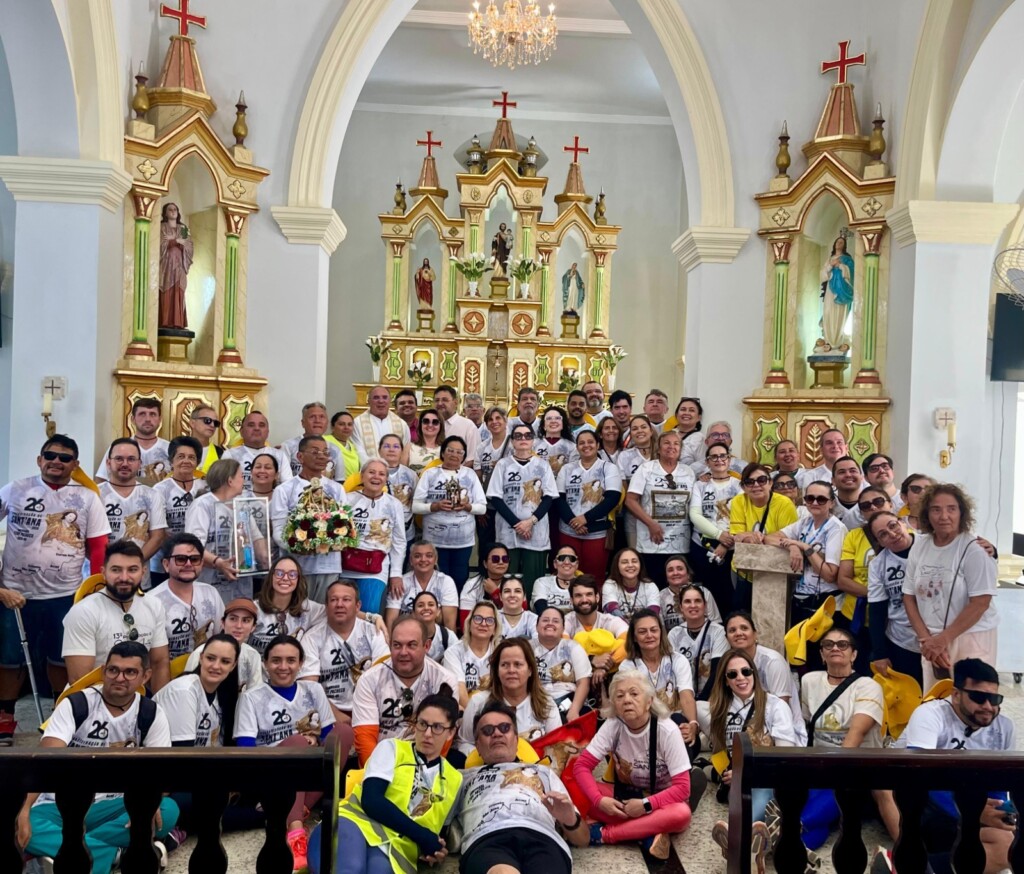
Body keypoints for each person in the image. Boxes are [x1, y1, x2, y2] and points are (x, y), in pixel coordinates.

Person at [16, 642, 177, 873]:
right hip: (63, 803)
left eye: (130, 672)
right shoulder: (76, 704)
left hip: (116, 804)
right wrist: (24, 808)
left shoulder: (151, 712)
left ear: (145, 676)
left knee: (168, 810)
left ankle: (67, 850)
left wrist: (151, 801)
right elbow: (44, 761)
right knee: (19, 821)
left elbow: (162, 773)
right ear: (103, 671)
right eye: (113, 670)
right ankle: (115, 854)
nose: (119, 678)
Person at [0, 434, 110, 736]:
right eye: (50, 456)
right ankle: (5, 716)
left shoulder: (88, 497)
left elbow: (98, 547)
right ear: (40, 460)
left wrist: (96, 589)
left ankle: (61, 714)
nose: (56, 462)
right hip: (14, 593)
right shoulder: (16, 489)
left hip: (65, 595)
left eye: (64, 458)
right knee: (9, 659)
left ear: (75, 464)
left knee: (61, 658)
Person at [234, 633, 351, 872]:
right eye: (276, 660)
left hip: (308, 769)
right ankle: (296, 830)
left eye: (291, 660)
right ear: (265, 663)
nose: (283, 667)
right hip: (270, 773)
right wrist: (298, 743)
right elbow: (246, 750)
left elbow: (329, 737)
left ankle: (292, 809)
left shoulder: (313, 689)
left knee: (344, 732)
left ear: (300, 663)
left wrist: (313, 740)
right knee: (297, 742)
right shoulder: (250, 697)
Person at [310, 694, 462, 874]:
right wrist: (422, 837)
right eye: (422, 724)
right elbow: (372, 801)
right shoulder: (392, 748)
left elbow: (437, 832)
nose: (427, 734)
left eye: (437, 727)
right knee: (351, 868)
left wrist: (434, 849)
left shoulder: (454, 779)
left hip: (395, 850)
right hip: (355, 823)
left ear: (451, 732)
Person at [901, 658, 1016, 874]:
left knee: (1006, 844)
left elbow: (999, 785)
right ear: (956, 695)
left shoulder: (1004, 727)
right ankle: (908, 862)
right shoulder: (930, 715)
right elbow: (919, 775)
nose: (988, 706)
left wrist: (1000, 813)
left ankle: (911, 868)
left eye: (994, 699)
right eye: (978, 697)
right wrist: (971, 813)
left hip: (965, 804)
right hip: (923, 803)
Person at [456, 701, 590, 874]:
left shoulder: (544, 773)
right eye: (488, 730)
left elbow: (582, 840)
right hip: (488, 838)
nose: (497, 733)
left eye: (504, 728)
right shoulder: (461, 778)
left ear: (516, 740)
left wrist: (570, 820)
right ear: (478, 746)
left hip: (543, 838)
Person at [574, 670, 692, 859]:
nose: (627, 700)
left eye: (634, 693)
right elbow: (581, 767)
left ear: (649, 701)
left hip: (661, 801)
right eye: (620, 696)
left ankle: (606, 834)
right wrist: (599, 800)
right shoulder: (613, 724)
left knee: (681, 814)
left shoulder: (667, 730)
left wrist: (645, 805)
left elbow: (683, 788)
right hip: (626, 797)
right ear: (614, 703)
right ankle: (647, 832)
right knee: (575, 789)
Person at [799, 628, 899, 841]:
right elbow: (805, 725)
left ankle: (780, 833)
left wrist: (834, 770)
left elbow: (857, 733)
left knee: (819, 805)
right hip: (820, 763)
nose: (835, 648)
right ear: (822, 654)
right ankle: (794, 848)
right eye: (828, 644)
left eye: (842, 644)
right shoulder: (809, 681)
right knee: (819, 819)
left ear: (853, 655)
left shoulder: (868, 686)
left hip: (856, 765)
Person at [700, 650, 797, 869]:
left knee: (757, 793)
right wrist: (725, 773)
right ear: (725, 681)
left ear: (754, 673)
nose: (740, 678)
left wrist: (747, 772)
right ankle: (751, 847)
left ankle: (735, 841)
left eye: (746, 671)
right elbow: (719, 750)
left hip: (769, 779)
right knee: (745, 798)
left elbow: (784, 757)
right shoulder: (721, 709)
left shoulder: (775, 706)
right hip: (737, 782)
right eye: (732, 674)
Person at [903, 484, 998, 689]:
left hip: (969, 638)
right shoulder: (920, 546)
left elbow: (980, 603)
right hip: (930, 640)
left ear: (962, 513)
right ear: (927, 514)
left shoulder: (975, 549)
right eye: (936, 509)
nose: (944, 516)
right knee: (936, 699)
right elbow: (908, 597)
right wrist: (926, 639)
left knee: (971, 699)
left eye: (951, 509)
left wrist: (942, 640)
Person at [62, 540, 170, 690]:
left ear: (143, 572)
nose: (124, 577)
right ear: (103, 572)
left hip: (138, 695)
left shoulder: (154, 605)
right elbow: (80, 680)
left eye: (132, 570)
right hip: (94, 697)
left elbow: (159, 663)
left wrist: (159, 703)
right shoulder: (83, 612)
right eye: (116, 570)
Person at [351, 615, 459, 765]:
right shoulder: (369, 680)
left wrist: (420, 773)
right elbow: (365, 739)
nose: (403, 652)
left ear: (426, 646)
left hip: (424, 765)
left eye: (411, 645)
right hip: (380, 764)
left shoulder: (444, 681)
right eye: (397, 645)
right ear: (389, 645)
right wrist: (378, 772)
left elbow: (442, 738)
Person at [766, 480, 847, 667]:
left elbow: (830, 574)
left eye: (821, 499)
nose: (815, 503)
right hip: (802, 601)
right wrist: (792, 546)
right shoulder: (805, 523)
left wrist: (805, 548)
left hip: (825, 606)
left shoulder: (836, 528)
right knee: (801, 661)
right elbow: (769, 538)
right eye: (810, 498)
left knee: (822, 663)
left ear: (831, 503)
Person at [270, 436, 347, 602]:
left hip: (329, 565)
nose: (321, 456)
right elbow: (278, 531)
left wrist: (331, 541)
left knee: (324, 612)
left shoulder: (337, 489)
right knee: (297, 610)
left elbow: (344, 525)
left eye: (325, 452)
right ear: (300, 457)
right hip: (296, 567)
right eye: (315, 452)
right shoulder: (284, 490)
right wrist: (302, 546)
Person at [301, 579, 389, 724]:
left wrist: (366, 717)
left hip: (370, 709)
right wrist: (340, 719)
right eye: (334, 600)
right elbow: (310, 688)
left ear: (357, 606)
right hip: (328, 713)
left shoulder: (374, 632)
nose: (339, 604)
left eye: (346, 599)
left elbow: (385, 679)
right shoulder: (311, 638)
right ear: (326, 606)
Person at [486, 423, 559, 597]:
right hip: (508, 531)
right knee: (508, 582)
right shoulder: (503, 465)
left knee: (533, 583)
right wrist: (518, 525)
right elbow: (495, 497)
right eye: (518, 436)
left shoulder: (543, 465)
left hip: (536, 531)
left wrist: (530, 522)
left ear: (533, 440)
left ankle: (532, 611)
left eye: (527, 435)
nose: (523, 439)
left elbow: (549, 497)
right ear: (512, 441)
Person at [626, 430, 706, 588]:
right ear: (658, 448)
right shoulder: (646, 469)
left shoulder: (688, 472)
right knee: (653, 586)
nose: (671, 447)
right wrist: (651, 524)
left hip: (680, 542)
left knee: (679, 587)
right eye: (667, 443)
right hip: (651, 542)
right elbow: (630, 500)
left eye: (676, 444)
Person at [457, 637, 560, 756]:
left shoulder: (547, 704)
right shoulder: (478, 702)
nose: (511, 670)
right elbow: (464, 743)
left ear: (530, 670)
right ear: (496, 670)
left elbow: (556, 746)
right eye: (504, 665)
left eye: (518, 664)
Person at [186, 458, 268, 602]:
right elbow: (193, 546)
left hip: (241, 585)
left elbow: (256, 537)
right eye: (241, 476)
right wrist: (218, 562)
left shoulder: (242, 505)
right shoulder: (202, 505)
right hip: (210, 583)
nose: (244, 480)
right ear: (230, 481)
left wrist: (266, 559)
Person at [413, 438, 486, 591]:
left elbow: (482, 508)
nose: (454, 455)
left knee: (460, 579)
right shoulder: (430, 474)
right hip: (435, 541)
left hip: (463, 541)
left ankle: (457, 606)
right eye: (450, 450)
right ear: (442, 453)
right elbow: (416, 507)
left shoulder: (470, 474)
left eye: (459, 452)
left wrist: (467, 507)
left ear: (464, 456)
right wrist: (435, 506)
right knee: (437, 579)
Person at [728, 462, 798, 611]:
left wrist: (756, 537)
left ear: (770, 483)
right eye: (749, 482)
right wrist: (749, 538)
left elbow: (789, 540)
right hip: (745, 570)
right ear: (743, 487)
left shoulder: (784, 504)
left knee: (772, 617)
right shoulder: (738, 501)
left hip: (775, 572)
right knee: (742, 615)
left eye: (761, 480)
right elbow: (737, 536)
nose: (756, 485)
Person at [838, 486, 894, 670]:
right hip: (857, 617)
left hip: (895, 620)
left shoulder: (905, 535)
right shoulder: (854, 536)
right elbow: (843, 579)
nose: (873, 507)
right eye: (866, 506)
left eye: (878, 502)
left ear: (890, 504)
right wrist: (878, 596)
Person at [556, 428, 622, 579]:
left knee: (594, 577)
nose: (586, 445)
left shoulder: (608, 468)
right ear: (577, 447)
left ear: (598, 445)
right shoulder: (567, 469)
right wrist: (574, 522)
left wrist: (585, 519)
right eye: (582, 443)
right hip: (568, 530)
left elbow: (612, 498)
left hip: (597, 532)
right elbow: (559, 499)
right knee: (568, 575)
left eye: (590, 442)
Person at [620, 610, 697, 738]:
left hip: (675, 721)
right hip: (644, 724)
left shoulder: (678, 660)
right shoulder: (628, 666)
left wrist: (693, 724)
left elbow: (686, 696)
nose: (649, 635)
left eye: (654, 630)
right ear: (634, 637)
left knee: (680, 723)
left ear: (661, 632)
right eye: (642, 632)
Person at [155, 631, 240, 747]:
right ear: (201, 658)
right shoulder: (184, 690)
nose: (216, 666)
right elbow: (181, 751)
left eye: (225, 661)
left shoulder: (222, 695)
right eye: (210, 658)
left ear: (233, 665)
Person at [149, 532, 226, 660]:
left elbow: (222, 638)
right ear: (166, 565)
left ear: (201, 563)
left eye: (194, 559)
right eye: (180, 559)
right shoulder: (152, 601)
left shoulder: (210, 592)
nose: (188, 564)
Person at [866, 511, 923, 684]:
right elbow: (877, 612)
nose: (892, 534)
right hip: (902, 641)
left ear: (902, 523)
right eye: (883, 534)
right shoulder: (878, 564)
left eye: (893, 526)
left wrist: (991, 550)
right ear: (879, 542)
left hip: (940, 636)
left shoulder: (930, 544)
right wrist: (880, 653)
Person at [345, 459, 406, 615]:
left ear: (386, 479)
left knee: (369, 614)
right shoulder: (347, 499)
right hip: (345, 567)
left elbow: (399, 541)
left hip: (376, 570)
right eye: (371, 472)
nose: (376, 477)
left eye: (381, 474)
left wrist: (396, 574)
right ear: (362, 476)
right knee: (343, 612)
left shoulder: (394, 504)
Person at [689, 441, 742, 616]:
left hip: (732, 546)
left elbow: (743, 518)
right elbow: (695, 515)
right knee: (706, 593)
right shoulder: (700, 485)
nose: (719, 460)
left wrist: (726, 543)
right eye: (714, 457)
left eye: (723, 456)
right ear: (707, 462)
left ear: (729, 459)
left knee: (730, 594)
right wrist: (718, 535)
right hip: (703, 544)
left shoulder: (739, 486)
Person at [151, 436, 207, 581]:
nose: (186, 461)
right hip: (163, 562)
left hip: (196, 560)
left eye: (191, 457)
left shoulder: (205, 486)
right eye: (181, 456)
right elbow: (157, 530)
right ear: (171, 461)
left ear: (197, 462)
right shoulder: (159, 490)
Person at [248, 556, 327, 657]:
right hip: (258, 666)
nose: (285, 578)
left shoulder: (307, 608)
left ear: (298, 579)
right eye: (279, 573)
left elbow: (335, 614)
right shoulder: (254, 608)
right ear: (271, 577)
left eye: (292, 574)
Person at [564, 575, 629, 692]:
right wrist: (591, 660)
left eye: (589, 594)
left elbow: (629, 643)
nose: (584, 599)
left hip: (610, 676)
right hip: (575, 679)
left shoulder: (610, 620)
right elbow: (562, 649)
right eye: (578, 595)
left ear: (597, 597)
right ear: (571, 600)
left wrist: (605, 666)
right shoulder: (565, 621)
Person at [185, 597, 264, 690]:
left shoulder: (253, 655)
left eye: (246, 620)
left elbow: (255, 693)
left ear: (253, 627)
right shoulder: (201, 652)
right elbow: (187, 689)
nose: (239, 626)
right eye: (233, 619)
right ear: (223, 622)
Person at [668, 584, 729, 701]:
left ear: (705, 605)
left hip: (712, 698)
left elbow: (717, 671)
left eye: (697, 601)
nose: (693, 605)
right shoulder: (674, 634)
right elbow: (671, 672)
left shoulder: (718, 632)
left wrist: (701, 700)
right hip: (683, 698)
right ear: (681, 607)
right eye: (687, 601)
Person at [533, 606, 591, 722]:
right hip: (536, 702)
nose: (550, 623)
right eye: (545, 620)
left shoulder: (573, 647)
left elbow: (583, 683)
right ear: (536, 626)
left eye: (555, 621)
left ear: (563, 628)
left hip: (567, 702)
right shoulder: (525, 648)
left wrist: (574, 710)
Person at [94, 397, 170, 486]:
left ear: (160, 419)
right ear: (133, 419)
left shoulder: (169, 448)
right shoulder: (119, 447)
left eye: (152, 414)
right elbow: (101, 480)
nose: (148, 419)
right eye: (142, 414)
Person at [386, 540, 458, 629]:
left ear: (435, 559)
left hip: (436, 634)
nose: (423, 559)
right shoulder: (401, 582)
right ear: (411, 560)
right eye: (417, 556)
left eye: (429, 555)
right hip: (407, 632)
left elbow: (449, 624)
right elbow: (391, 620)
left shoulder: (446, 582)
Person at [445, 600, 501, 708]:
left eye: (489, 620)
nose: (483, 624)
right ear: (469, 624)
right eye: (478, 618)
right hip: (466, 710)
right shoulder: (453, 653)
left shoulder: (502, 653)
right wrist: (474, 715)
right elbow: (460, 692)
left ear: (495, 628)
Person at [225, 411, 294, 493]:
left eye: (261, 425)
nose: (257, 428)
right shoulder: (230, 455)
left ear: (267, 432)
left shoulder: (279, 456)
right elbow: (223, 488)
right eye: (251, 425)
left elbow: (288, 487)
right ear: (241, 431)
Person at [280, 402, 344, 482]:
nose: (317, 421)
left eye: (322, 417)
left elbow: (340, 481)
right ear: (303, 423)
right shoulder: (287, 446)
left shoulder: (335, 450)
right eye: (312, 417)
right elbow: (283, 481)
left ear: (327, 423)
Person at [618, 414, 656, 549]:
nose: (639, 431)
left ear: (651, 430)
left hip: (659, 516)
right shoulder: (624, 456)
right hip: (633, 516)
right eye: (634, 429)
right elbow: (624, 489)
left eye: (643, 427)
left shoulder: (662, 453)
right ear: (630, 434)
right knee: (635, 554)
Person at [660, 554, 722, 631]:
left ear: (688, 574)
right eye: (670, 570)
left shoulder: (703, 591)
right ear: (666, 576)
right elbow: (660, 629)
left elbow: (715, 624)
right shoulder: (660, 596)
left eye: (680, 569)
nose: (675, 573)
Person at [379, 433, 418, 548]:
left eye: (396, 446)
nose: (391, 450)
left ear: (402, 451)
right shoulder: (370, 472)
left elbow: (416, 502)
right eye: (386, 446)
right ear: (379, 450)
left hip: (406, 533)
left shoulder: (411, 475)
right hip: (379, 535)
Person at [603, 547, 660, 622]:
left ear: (640, 564)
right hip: (616, 627)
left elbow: (653, 613)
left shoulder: (650, 586)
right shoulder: (610, 584)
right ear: (617, 566)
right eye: (624, 562)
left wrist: (637, 626)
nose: (630, 565)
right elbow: (612, 610)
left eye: (634, 561)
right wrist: (630, 626)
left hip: (644, 627)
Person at [459, 542, 509, 626]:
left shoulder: (515, 584)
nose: (501, 562)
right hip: (480, 630)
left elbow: (521, 613)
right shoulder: (472, 585)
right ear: (485, 563)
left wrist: (495, 593)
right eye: (495, 559)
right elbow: (465, 622)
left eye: (505, 559)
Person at [819, 234, 854, 351]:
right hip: (830, 289)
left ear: (844, 245)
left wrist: (841, 266)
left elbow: (852, 273)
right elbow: (822, 275)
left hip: (842, 290)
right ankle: (828, 340)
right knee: (828, 311)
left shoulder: (847, 259)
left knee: (840, 313)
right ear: (834, 244)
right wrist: (830, 266)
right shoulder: (830, 259)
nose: (839, 244)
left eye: (841, 242)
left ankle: (838, 340)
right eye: (837, 242)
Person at [355, 386, 412, 459]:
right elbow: (358, 451)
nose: (381, 401)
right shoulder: (357, 423)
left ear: (390, 401)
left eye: (385, 397)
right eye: (376, 397)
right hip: (367, 466)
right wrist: (374, 466)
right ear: (369, 401)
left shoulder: (402, 424)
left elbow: (405, 452)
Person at [432, 384, 480, 464]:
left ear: (455, 402)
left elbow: (473, 459)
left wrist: (455, 471)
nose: (440, 403)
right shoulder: (428, 425)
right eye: (437, 400)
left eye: (445, 400)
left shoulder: (468, 426)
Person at [531, 546, 579, 614]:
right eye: (561, 558)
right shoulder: (542, 582)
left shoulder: (584, 584)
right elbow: (542, 610)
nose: (567, 562)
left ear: (577, 565)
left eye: (572, 559)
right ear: (555, 563)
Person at [323, 410, 369, 479]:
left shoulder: (353, 446)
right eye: (341, 424)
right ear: (332, 427)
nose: (346, 427)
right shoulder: (324, 441)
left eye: (349, 424)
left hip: (351, 484)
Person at [413, 590, 456, 664]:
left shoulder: (448, 636)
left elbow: (457, 660)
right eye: (420, 605)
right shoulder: (406, 635)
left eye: (431, 604)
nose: (426, 608)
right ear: (413, 613)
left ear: (438, 611)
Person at [475, 406, 510, 491]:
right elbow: (478, 476)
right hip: (488, 493)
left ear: (505, 421)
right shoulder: (481, 448)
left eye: (498, 418)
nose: (494, 422)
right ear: (487, 425)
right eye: (490, 419)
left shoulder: (515, 445)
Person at [534, 405, 576, 476]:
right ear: (543, 425)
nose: (553, 421)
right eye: (549, 418)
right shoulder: (533, 445)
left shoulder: (572, 447)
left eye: (557, 418)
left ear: (563, 423)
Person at [188, 405, 227, 474]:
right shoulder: (176, 448)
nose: (212, 425)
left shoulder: (221, 454)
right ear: (192, 423)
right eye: (207, 420)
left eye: (215, 423)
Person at [832, 455, 870, 526]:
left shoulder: (872, 505)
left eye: (853, 471)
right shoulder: (827, 506)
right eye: (842, 472)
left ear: (862, 477)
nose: (848, 475)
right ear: (833, 480)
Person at [497, 575, 538, 640]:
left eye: (517, 591)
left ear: (524, 596)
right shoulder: (493, 617)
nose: (512, 595)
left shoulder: (533, 619)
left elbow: (537, 643)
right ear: (500, 597)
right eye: (507, 591)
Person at [406, 408, 445, 473]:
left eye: (435, 422)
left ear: (440, 426)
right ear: (420, 424)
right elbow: (401, 474)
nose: (430, 425)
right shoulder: (409, 447)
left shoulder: (446, 449)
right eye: (426, 421)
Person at [669, 397, 704, 466]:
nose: (686, 413)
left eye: (692, 410)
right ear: (676, 415)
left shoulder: (700, 439)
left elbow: (703, 465)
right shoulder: (668, 434)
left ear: (699, 417)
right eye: (683, 409)